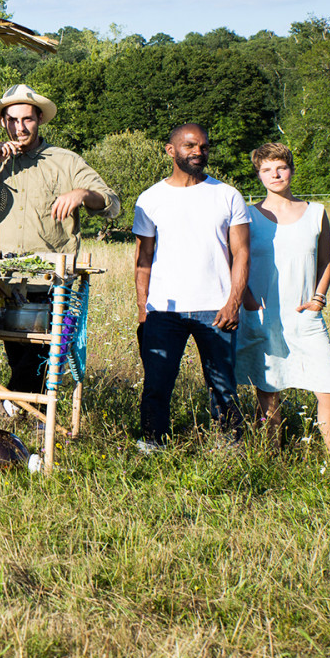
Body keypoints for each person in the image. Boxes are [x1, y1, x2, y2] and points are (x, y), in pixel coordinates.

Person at [0, 83, 120, 404]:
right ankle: (30, 415)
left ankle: (13, 409)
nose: (19, 127)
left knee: (39, 353)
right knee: (18, 353)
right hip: (3, 280)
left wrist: (83, 194)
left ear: (39, 118)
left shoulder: (65, 161)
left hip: (50, 280)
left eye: (27, 119)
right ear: (3, 122)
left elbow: (111, 202)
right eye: (12, 120)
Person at [132, 123, 249, 450]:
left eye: (204, 146)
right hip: (163, 311)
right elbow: (143, 259)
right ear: (171, 151)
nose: (199, 152)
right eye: (190, 146)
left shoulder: (227, 195)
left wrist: (233, 302)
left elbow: (241, 253)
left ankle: (228, 448)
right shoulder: (151, 198)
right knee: (156, 384)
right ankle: (154, 444)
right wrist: (143, 310)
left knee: (223, 386)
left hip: (216, 308)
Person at [236, 143, 330, 453]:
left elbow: (325, 261)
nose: (275, 174)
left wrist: (318, 299)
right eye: (267, 169)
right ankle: (271, 456)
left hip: (305, 316)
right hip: (262, 316)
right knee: (268, 390)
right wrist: (248, 299)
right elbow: (236, 260)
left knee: (329, 390)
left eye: (280, 167)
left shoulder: (316, 212)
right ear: (258, 175)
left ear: (291, 170)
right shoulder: (248, 215)